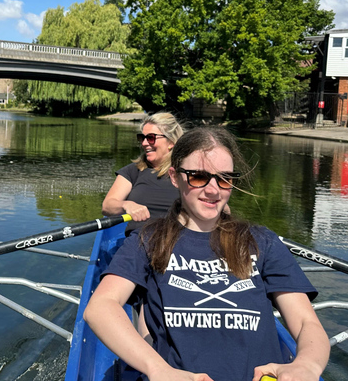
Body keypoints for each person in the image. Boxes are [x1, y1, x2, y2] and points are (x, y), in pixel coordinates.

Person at [85, 127, 329, 381]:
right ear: (174, 177)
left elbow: (305, 323)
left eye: (224, 179)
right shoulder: (148, 240)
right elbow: (101, 307)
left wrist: (307, 365)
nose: (214, 190)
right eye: (199, 177)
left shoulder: (262, 241)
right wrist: (158, 369)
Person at [102, 112, 184, 235]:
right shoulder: (133, 171)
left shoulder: (189, 172)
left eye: (151, 138)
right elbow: (107, 206)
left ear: (171, 141)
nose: (144, 143)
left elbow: (218, 207)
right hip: (140, 241)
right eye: (142, 138)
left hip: (178, 239)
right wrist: (126, 205)